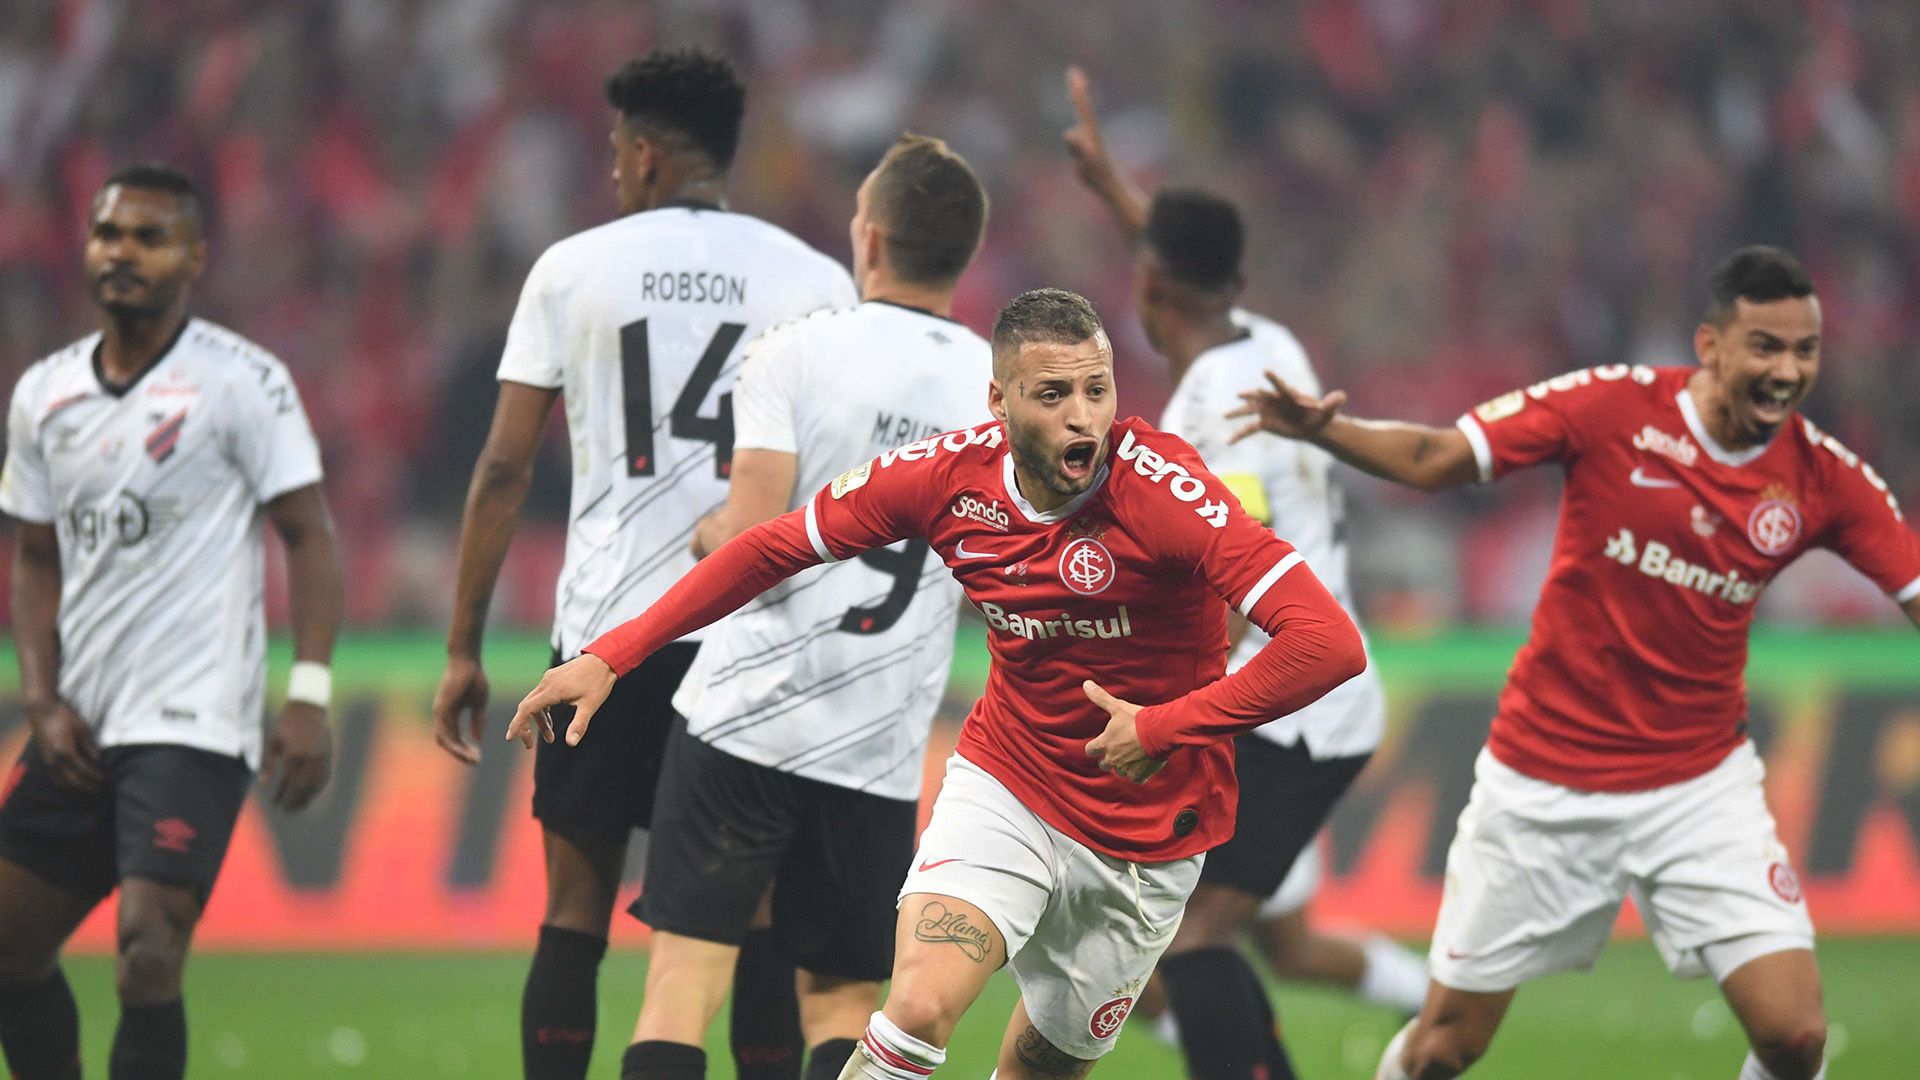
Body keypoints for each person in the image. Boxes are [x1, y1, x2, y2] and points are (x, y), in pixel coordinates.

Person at [506, 287, 1368, 1080]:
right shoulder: (948, 476)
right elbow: (774, 546)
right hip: (1012, 786)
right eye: (1054, 395)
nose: (1084, 419)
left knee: (1042, 1064)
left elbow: (1328, 644)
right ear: (1000, 403)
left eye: (1097, 391)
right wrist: (613, 654)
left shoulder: (1165, 491)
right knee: (915, 1007)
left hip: (1151, 836)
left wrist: (1165, 726)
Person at [1229, 246, 1920, 1080]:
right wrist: (1325, 429)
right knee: (1445, 1045)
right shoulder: (1613, 408)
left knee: (1797, 1036)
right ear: (1710, 346)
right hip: (1543, 783)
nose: (1787, 370)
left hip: (1698, 786)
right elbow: (1437, 459)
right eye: (1765, 347)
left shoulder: (1824, 479)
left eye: (1804, 351)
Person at [429, 48, 856, 1080]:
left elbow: (502, 469)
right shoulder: (815, 278)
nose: (615, 165)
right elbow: (842, 483)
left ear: (653, 153)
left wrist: (463, 649)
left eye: (621, 147)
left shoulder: (574, 267)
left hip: (609, 642)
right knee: (750, 913)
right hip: (751, 640)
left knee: (574, 911)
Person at [615, 133, 991, 1080]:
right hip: (878, 747)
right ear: (965, 253)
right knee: (843, 1004)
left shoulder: (799, 351)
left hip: (746, 718)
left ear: (869, 238)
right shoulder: (999, 396)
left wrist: (708, 531)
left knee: (680, 987)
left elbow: (755, 549)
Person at [1062, 67, 1407, 1079]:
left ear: (1146, 291)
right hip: (1319, 698)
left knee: (1187, 941)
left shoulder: (1208, 413)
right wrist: (1113, 190)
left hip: (1292, 708)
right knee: (1248, 936)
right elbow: (1180, 271)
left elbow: (1227, 566)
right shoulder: (1271, 342)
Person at [0, 163, 342, 1080]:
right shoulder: (45, 395)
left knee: (148, 948)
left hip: (192, 722)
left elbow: (309, 538)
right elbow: (33, 557)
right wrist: (40, 696)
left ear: (194, 256)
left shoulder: (243, 383)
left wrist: (307, 696)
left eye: (149, 238)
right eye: (109, 234)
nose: (122, 253)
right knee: (9, 949)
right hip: (80, 719)